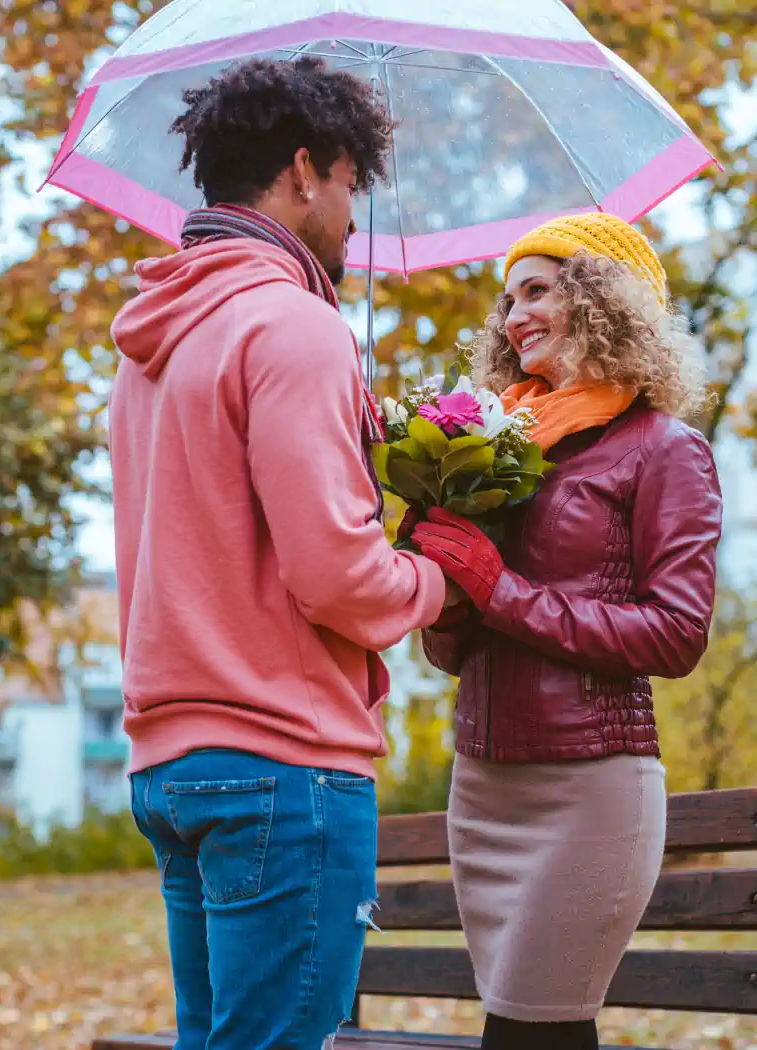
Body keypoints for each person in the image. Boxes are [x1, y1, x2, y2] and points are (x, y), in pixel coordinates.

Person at [108, 56, 449, 1050]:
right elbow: (337, 575)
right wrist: (437, 579)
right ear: (303, 171)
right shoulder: (293, 325)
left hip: (171, 764)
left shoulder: (150, 343)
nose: (353, 220)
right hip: (280, 762)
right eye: (351, 188)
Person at [410, 213, 723, 1050]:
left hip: (590, 785)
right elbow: (450, 651)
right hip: (482, 784)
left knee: (533, 1032)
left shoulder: (666, 450)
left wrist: (498, 588)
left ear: (602, 300)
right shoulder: (493, 452)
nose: (512, 317)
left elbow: (676, 634)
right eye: (507, 299)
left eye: (537, 290)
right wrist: (439, 584)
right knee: (516, 1029)